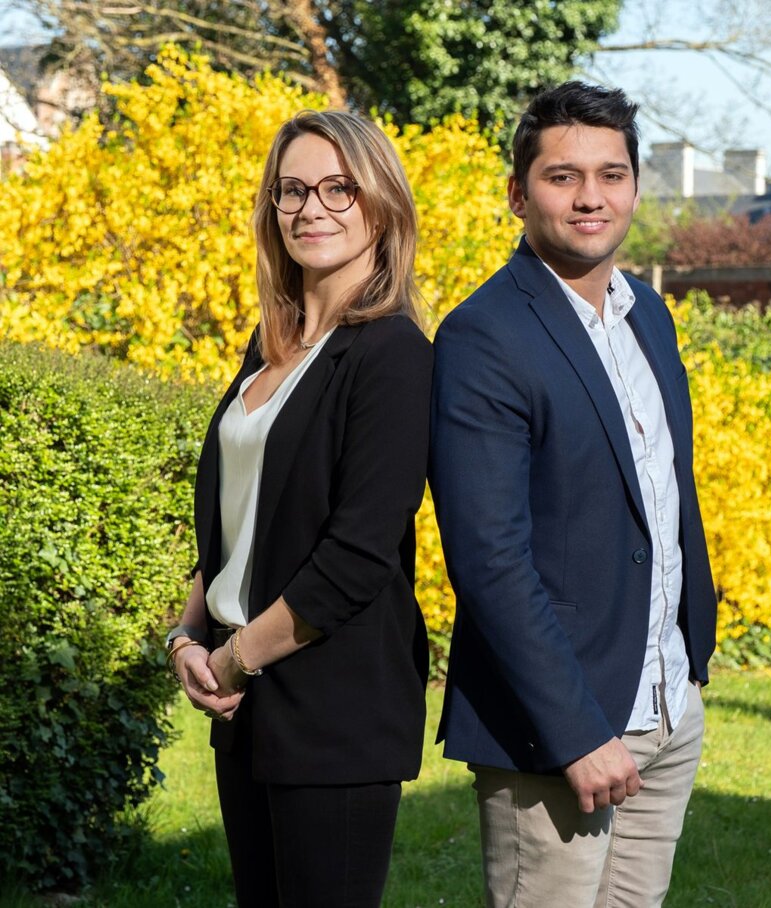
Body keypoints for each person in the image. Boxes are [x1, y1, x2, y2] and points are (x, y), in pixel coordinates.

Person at [429, 81, 717, 907]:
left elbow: (660, 496)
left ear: (634, 185)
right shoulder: (484, 335)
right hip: (558, 734)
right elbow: (488, 559)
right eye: (563, 176)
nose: (591, 196)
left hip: (665, 704)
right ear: (518, 194)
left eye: (612, 173)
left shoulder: (646, 316)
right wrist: (576, 731)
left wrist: (687, 666)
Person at [165, 109, 432, 908]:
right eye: (291, 191)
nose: (311, 208)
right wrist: (188, 632)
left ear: (380, 203)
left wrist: (234, 656)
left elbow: (357, 558)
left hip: (333, 706)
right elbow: (237, 526)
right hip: (243, 701)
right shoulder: (271, 347)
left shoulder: (391, 354)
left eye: (337, 188)